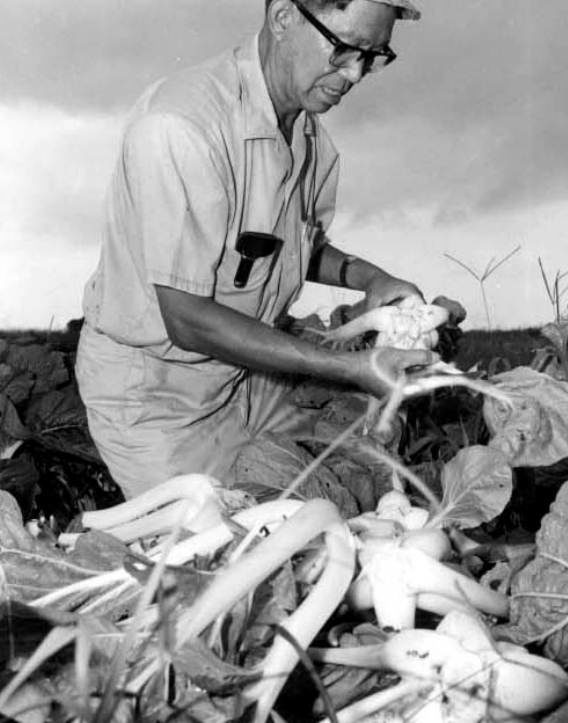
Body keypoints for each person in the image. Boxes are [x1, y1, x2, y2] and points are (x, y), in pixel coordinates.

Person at [76, 0, 438, 499]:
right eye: (342, 51)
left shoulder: (309, 136)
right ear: (284, 17)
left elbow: (290, 247)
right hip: (157, 398)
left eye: (374, 57)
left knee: (346, 489)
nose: (355, 74)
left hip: (250, 377)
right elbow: (186, 319)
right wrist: (347, 368)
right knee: (221, 553)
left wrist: (371, 279)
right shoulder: (182, 126)